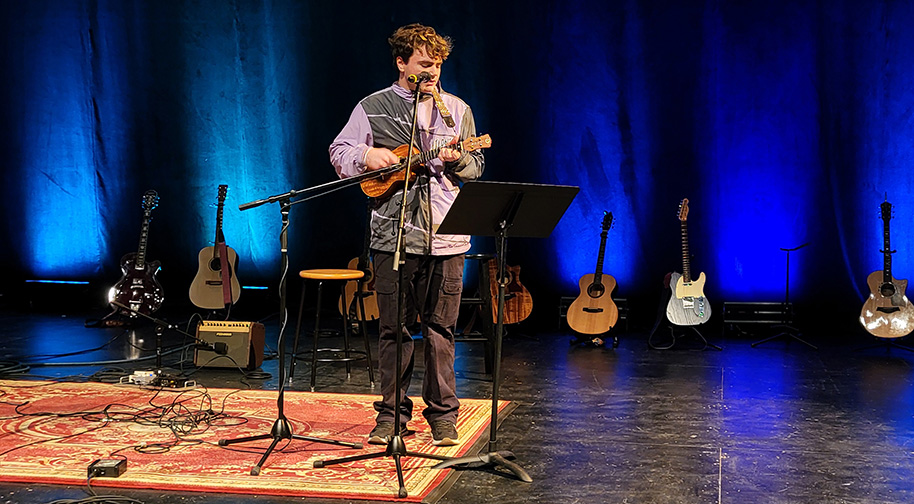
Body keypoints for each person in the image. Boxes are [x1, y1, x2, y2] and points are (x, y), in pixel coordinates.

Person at [329, 23, 484, 447]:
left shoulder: (458, 109)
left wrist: (456, 161)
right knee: (393, 329)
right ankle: (391, 416)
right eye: (423, 63)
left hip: (447, 236)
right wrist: (367, 153)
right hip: (393, 235)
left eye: (437, 63)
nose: (432, 70)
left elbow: (477, 167)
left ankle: (443, 416)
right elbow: (339, 152)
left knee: (440, 330)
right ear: (402, 63)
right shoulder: (372, 107)